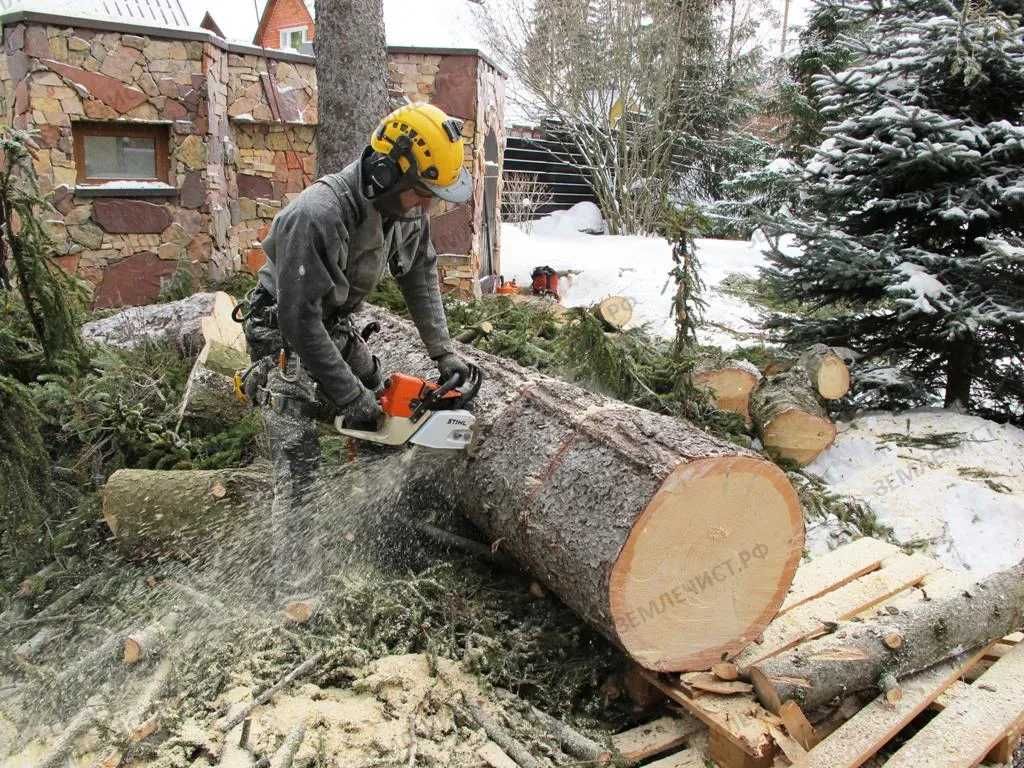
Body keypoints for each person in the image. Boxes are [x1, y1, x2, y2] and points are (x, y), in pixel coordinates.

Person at [238, 102, 473, 607]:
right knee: (301, 456)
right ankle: (295, 591)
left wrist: (443, 353)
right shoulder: (317, 215)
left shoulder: (405, 210)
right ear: (384, 174)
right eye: (421, 194)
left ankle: (372, 540)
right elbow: (298, 323)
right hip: (281, 329)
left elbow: (421, 274)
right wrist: (348, 397)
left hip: (330, 321)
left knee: (386, 408)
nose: (425, 207)